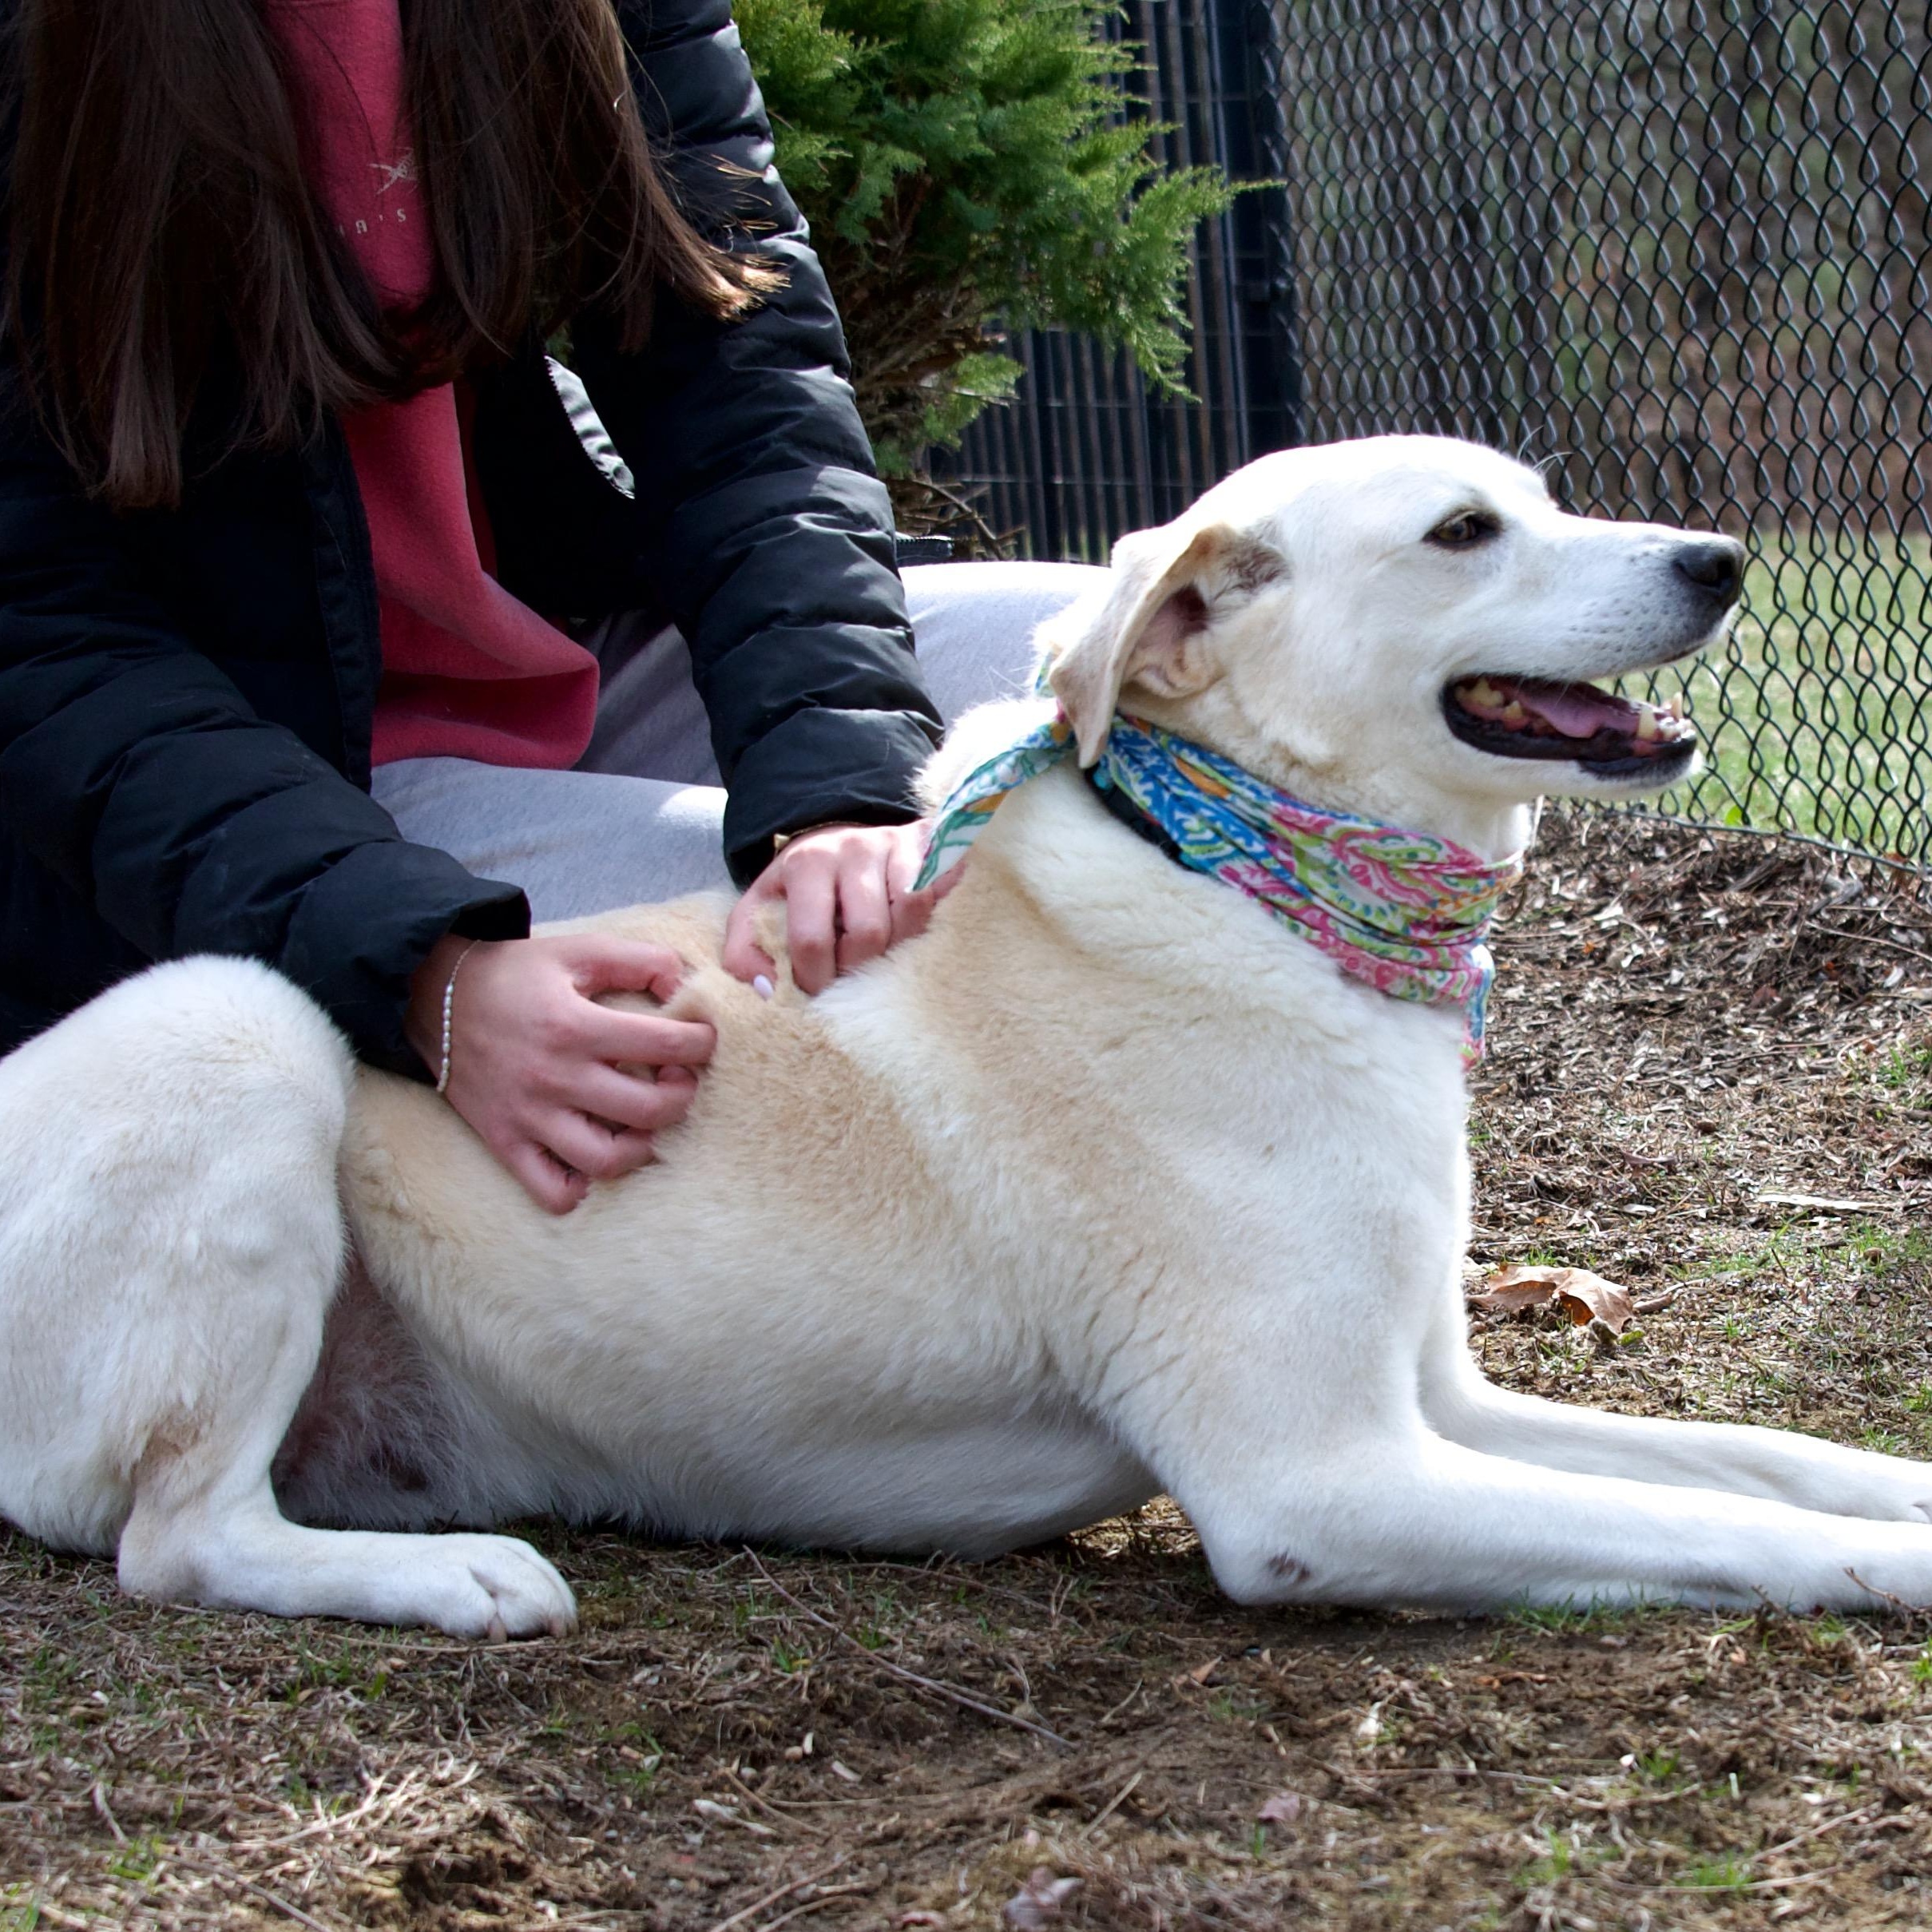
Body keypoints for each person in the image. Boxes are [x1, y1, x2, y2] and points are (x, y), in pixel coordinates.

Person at [0, 0, 1098, 1212]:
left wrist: (834, 798)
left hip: (562, 644)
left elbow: (741, 384)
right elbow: (41, 637)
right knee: (786, 952)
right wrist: (432, 972)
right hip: (294, 782)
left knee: (1110, 670)